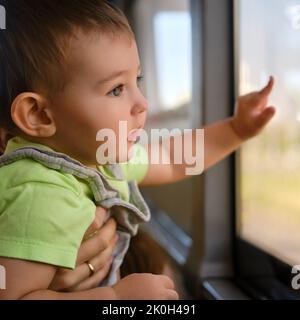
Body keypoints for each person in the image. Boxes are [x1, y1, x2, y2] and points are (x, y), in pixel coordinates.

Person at [0, 0, 275, 300]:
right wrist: (116, 299)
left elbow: (173, 159)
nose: (143, 103)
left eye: (137, 81)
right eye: (116, 89)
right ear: (39, 115)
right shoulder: (39, 193)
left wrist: (235, 130)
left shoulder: (96, 159)